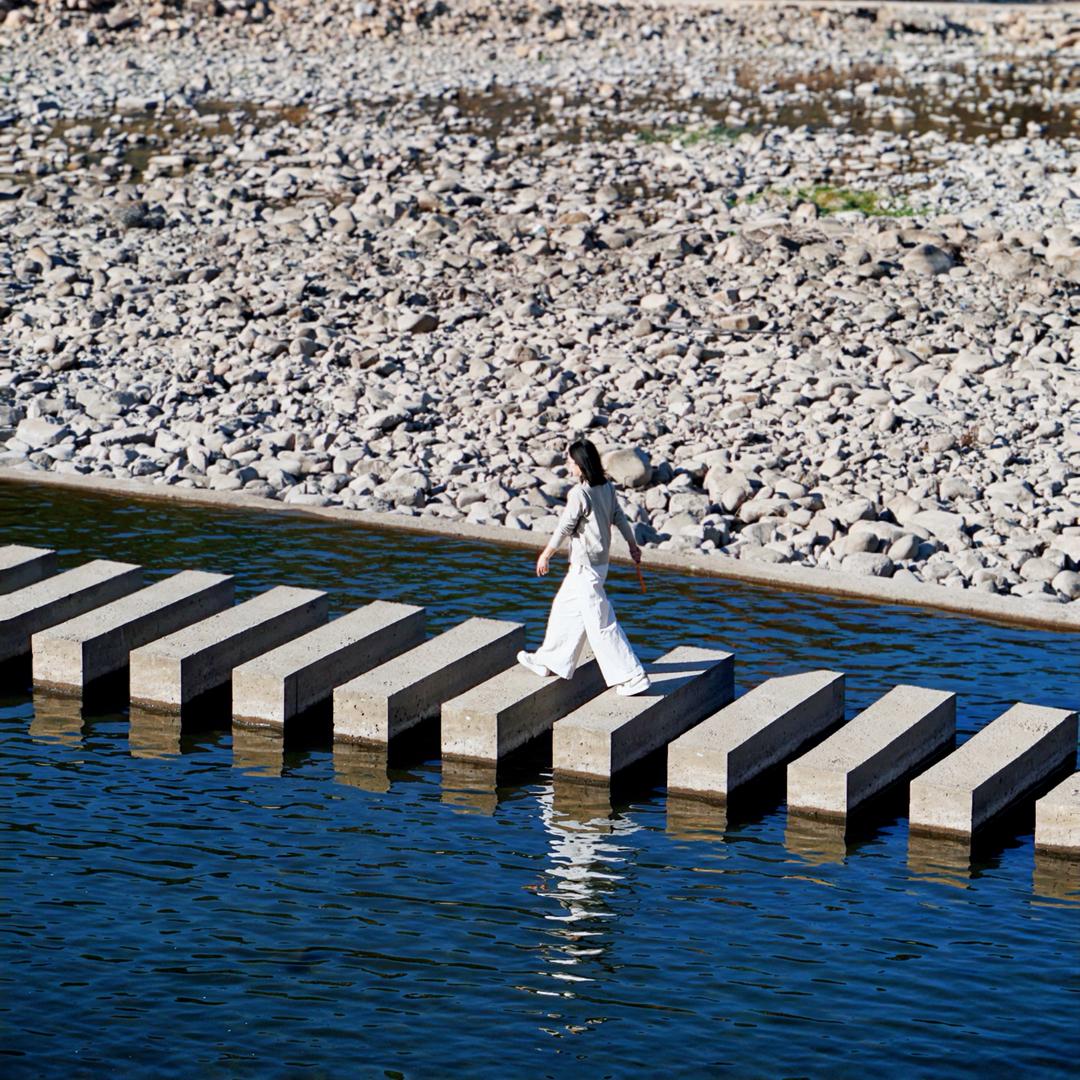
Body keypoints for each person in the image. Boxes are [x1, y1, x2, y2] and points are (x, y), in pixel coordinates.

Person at [517, 438, 651, 696]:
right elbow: (619, 518)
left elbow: (565, 526)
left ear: (581, 463)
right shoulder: (606, 488)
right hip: (597, 566)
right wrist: (633, 545)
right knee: (564, 610)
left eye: (570, 461)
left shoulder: (580, 493)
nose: (568, 465)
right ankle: (549, 660)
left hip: (585, 568)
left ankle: (632, 676)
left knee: (601, 624)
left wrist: (546, 554)